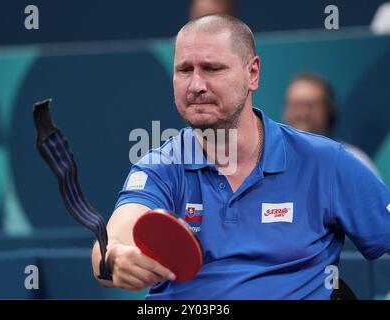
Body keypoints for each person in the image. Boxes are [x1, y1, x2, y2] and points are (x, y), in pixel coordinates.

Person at [92, 14, 390, 299]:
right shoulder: (161, 166)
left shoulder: (326, 162)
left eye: (212, 68)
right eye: (184, 70)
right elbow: (110, 245)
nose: (196, 85)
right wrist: (116, 258)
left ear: (252, 73)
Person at [283, 73, 379, 175]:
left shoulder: (354, 162)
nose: (303, 114)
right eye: (296, 105)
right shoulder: (270, 160)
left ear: (328, 111)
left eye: (311, 105)